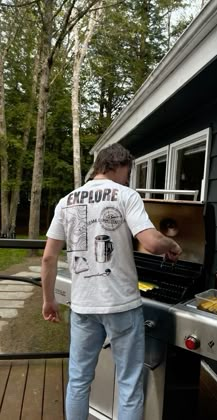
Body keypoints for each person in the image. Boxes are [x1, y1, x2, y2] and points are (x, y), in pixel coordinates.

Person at [41, 143, 182, 420]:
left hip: (83, 307)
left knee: (79, 380)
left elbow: (48, 258)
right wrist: (173, 245)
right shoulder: (126, 195)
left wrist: (49, 300)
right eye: (127, 173)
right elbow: (152, 243)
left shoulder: (66, 201)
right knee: (129, 383)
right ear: (116, 166)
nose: (127, 179)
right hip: (122, 306)